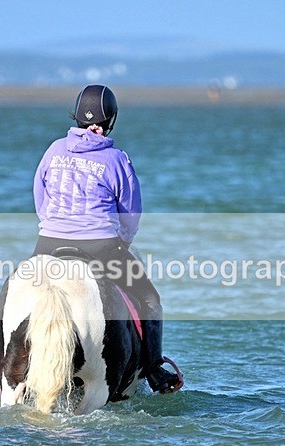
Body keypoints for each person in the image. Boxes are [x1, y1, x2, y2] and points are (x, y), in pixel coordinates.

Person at [30, 84, 183, 394]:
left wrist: (53, 227)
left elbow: (40, 198)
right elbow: (130, 215)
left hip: (47, 244)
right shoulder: (116, 158)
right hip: (100, 247)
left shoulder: (53, 150)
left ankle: (3, 364)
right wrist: (122, 242)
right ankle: (154, 369)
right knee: (150, 299)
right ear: (109, 121)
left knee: (17, 296)